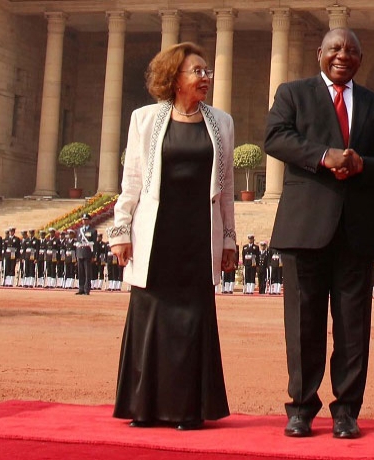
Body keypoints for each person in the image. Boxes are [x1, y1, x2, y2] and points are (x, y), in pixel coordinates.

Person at [264, 27, 374, 439]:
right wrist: (325, 156)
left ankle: (347, 410)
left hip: (358, 228)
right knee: (303, 324)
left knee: (353, 326)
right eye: (336, 48)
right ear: (318, 52)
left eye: (352, 50)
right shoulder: (293, 93)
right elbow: (275, 137)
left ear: (360, 58)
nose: (344, 55)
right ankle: (301, 406)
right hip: (305, 226)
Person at [109, 42, 237, 431]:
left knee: (192, 322)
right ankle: (144, 408)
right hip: (155, 233)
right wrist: (120, 229)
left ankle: (187, 410)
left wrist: (229, 240)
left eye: (207, 71)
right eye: (197, 71)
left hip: (199, 234)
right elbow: (132, 178)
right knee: (150, 319)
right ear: (174, 78)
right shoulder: (145, 120)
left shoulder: (222, 123)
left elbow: (227, 186)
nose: (206, 77)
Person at [76, 214, 97, 295]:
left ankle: (86, 289)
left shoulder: (92, 231)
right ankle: (81, 288)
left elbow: (94, 244)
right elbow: (78, 242)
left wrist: (93, 255)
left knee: (87, 272)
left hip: (88, 253)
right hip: (80, 253)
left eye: (86, 219)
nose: (84, 221)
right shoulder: (79, 230)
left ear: (89, 220)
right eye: (83, 219)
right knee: (80, 272)